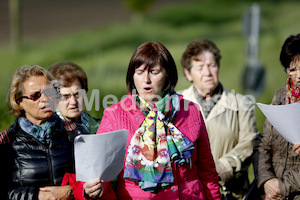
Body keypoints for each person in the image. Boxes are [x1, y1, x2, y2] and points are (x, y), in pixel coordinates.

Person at [83, 41, 221, 199]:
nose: (146, 79)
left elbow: (207, 171)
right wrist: (91, 187)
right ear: (132, 76)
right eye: (140, 72)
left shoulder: (191, 111)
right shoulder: (116, 114)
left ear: (167, 75)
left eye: (154, 72)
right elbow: (98, 168)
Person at [179, 39, 258, 199]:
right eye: (200, 68)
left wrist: (221, 168)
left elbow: (249, 144)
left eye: (212, 65)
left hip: (231, 194)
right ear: (188, 74)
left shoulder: (241, 104)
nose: (207, 73)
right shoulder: (177, 104)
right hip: (190, 193)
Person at [0, 65, 85, 199]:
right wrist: (37, 196)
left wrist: (71, 191)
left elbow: (93, 181)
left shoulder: (77, 133)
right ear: (19, 102)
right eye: (36, 95)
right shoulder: (7, 142)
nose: (46, 99)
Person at [253, 33, 300, 200]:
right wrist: (267, 180)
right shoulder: (280, 97)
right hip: (270, 193)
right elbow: (263, 143)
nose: (299, 75)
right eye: (293, 69)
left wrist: (282, 187)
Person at [49, 61, 100, 134]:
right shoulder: (44, 133)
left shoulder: (100, 128)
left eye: (77, 94)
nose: (73, 101)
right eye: (66, 96)